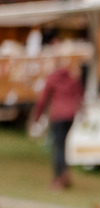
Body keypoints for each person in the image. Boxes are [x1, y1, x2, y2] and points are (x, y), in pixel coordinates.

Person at [31, 61, 84, 191]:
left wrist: (37, 117)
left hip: (58, 115)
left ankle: (58, 178)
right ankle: (65, 174)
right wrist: (82, 110)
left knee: (58, 146)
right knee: (63, 145)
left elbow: (43, 99)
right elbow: (79, 94)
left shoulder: (52, 79)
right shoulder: (72, 79)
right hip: (70, 115)